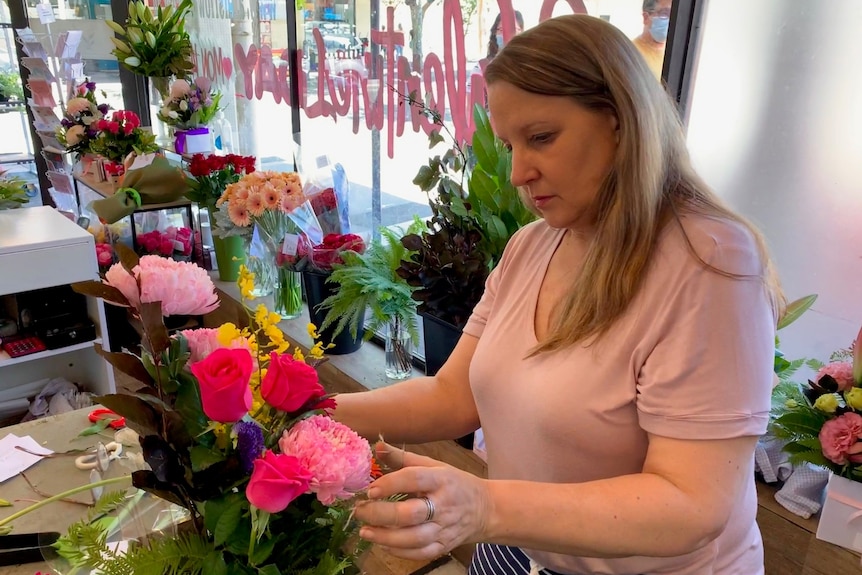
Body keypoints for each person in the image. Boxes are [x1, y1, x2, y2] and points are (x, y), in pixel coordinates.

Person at [338, 14, 781, 575]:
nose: (520, 172)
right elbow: (456, 396)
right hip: (518, 550)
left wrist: (485, 505)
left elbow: (692, 503)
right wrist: (315, 410)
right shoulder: (532, 246)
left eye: (542, 137)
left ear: (622, 120)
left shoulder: (710, 265)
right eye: (509, 144)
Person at [633, 0, 672, 80]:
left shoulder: (677, 55)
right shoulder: (631, 54)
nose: (671, 20)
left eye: (673, 14)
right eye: (664, 13)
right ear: (646, 18)